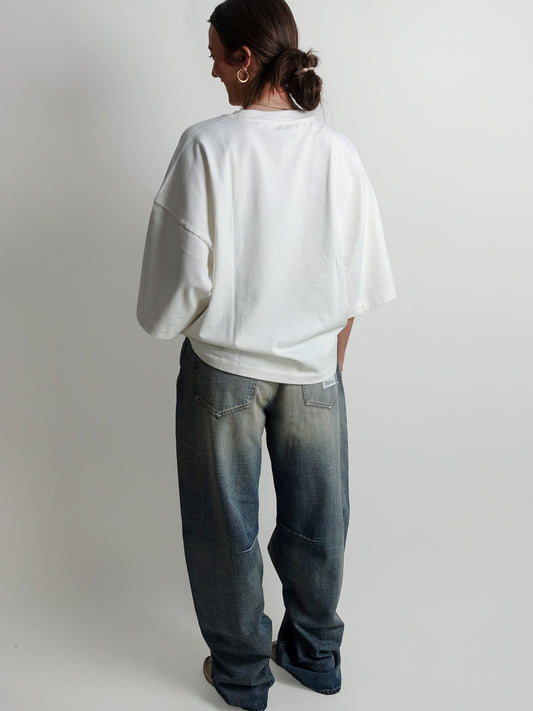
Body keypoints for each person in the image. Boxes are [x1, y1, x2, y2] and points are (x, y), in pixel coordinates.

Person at [136, 1, 397, 709]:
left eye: (216, 54)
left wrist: (202, 325)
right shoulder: (337, 152)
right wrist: (324, 361)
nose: (212, 70)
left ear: (246, 59)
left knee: (223, 526)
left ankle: (243, 675)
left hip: (223, 372)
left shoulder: (207, 146)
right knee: (321, 521)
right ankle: (314, 655)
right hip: (314, 370)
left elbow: (173, 290)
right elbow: (358, 280)